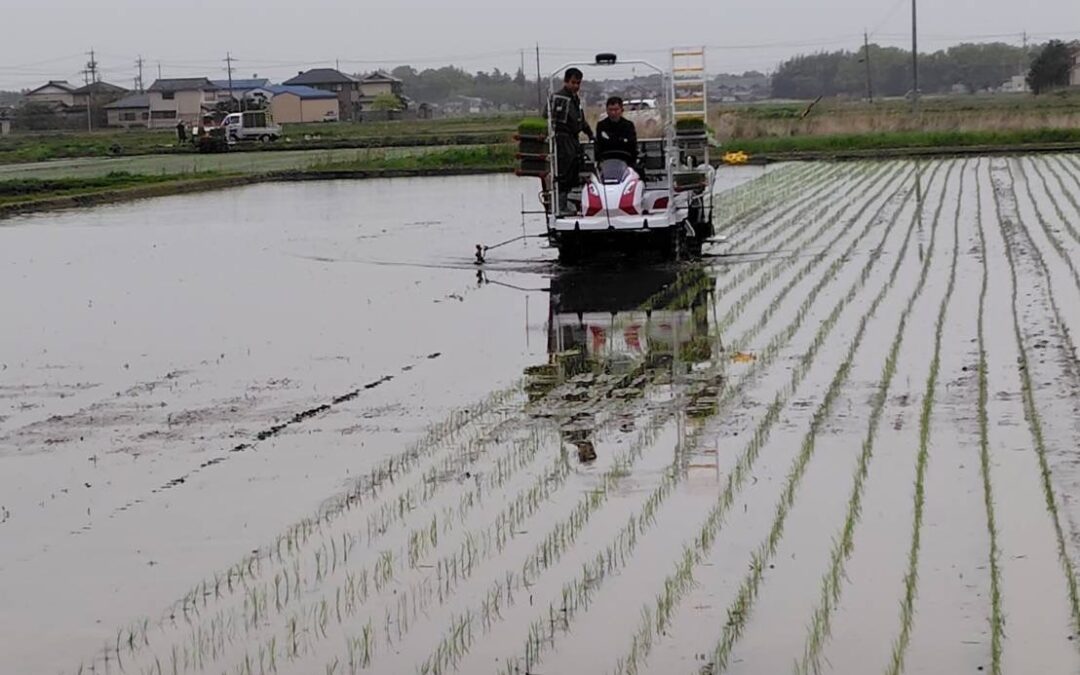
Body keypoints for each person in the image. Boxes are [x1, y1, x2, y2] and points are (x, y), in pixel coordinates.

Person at [547, 68, 594, 215]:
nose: (576, 86)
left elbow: (581, 120)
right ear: (566, 81)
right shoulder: (558, 97)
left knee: (574, 169)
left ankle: (567, 202)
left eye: (578, 83)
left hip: (573, 139)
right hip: (562, 139)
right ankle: (561, 206)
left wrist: (590, 134)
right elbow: (547, 118)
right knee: (564, 171)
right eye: (573, 82)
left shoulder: (576, 99)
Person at [595, 96, 637, 166]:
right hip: (606, 161)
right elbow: (599, 145)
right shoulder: (601, 125)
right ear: (607, 111)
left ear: (621, 110)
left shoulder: (628, 125)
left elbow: (631, 145)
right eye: (610, 110)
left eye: (616, 110)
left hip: (626, 161)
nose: (613, 113)